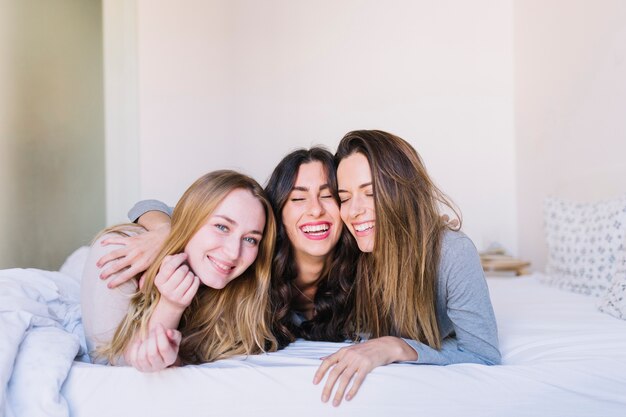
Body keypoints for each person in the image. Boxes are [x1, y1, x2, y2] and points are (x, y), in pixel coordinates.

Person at [312, 130, 501, 406]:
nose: (353, 211)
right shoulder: (349, 251)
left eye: (370, 192)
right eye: (345, 197)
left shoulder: (453, 252)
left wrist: (397, 346)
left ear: (402, 192)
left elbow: (484, 356)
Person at [97, 148, 357, 347]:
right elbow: (173, 212)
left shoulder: (358, 267)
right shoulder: (254, 247)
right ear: (278, 213)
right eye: (298, 198)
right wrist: (165, 231)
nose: (315, 209)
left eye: (328, 196)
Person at [81, 170, 277, 370]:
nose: (234, 253)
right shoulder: (120, 253)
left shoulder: (245, 289)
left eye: (250, 239)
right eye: (222, 227)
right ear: (188, 220)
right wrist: (170, 306)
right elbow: (111, 367)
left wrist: (174, 360)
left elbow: (177, 362)